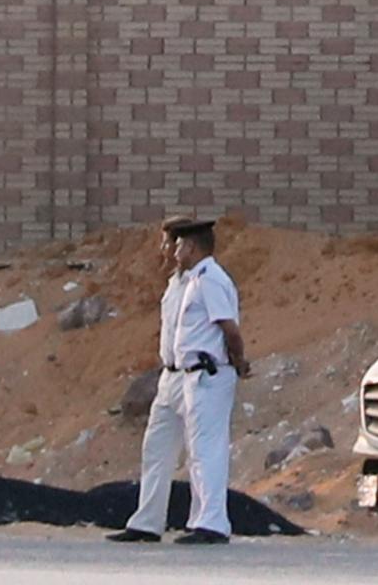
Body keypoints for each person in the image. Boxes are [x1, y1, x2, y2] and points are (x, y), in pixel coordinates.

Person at [108, 217, 250, 545]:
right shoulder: (180, 282)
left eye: (177, 245)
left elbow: (230, 329)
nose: (171, 252)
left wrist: (239, 363)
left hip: (205, 374)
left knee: (204, 449)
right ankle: (147, 522)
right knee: (156, 448)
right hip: (173, 376)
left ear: (191, 246)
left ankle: (211, 523)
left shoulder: (210, 279)